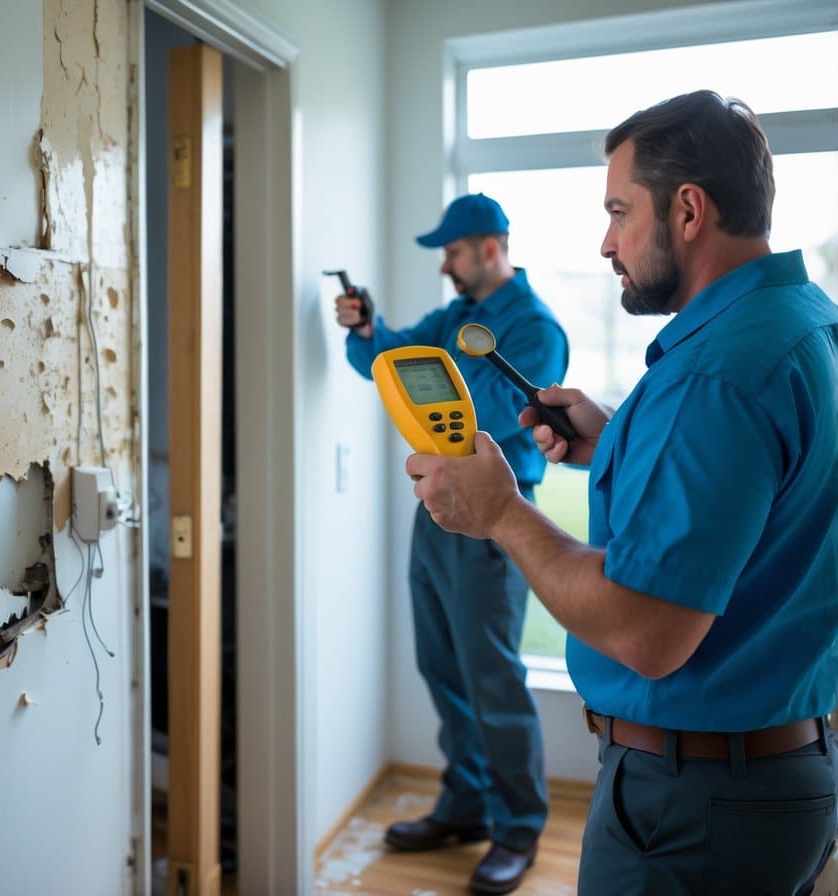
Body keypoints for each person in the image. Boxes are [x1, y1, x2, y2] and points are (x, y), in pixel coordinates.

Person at [406, 90, 838, 895]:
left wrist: (504, 512)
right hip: (782, 775)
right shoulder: (807, 325)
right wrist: (618, 440)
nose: (606, 243)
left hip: (693, 809)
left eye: (617, 211)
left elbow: (646, 631)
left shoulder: (715, 374)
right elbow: (777, 493)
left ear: (688, 210)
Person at [336, 193, 570, 895]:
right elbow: (393, 363)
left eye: (453, 250)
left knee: (491, 677)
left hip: (494, 520)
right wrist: (369, 329)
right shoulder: (459, 320)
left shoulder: (534, 328)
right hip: (436, 512)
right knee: (441, 665)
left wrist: (423, 377)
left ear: (489, 247)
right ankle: (466, 804)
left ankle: (518, 828)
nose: (446, 264)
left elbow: (484, 421)